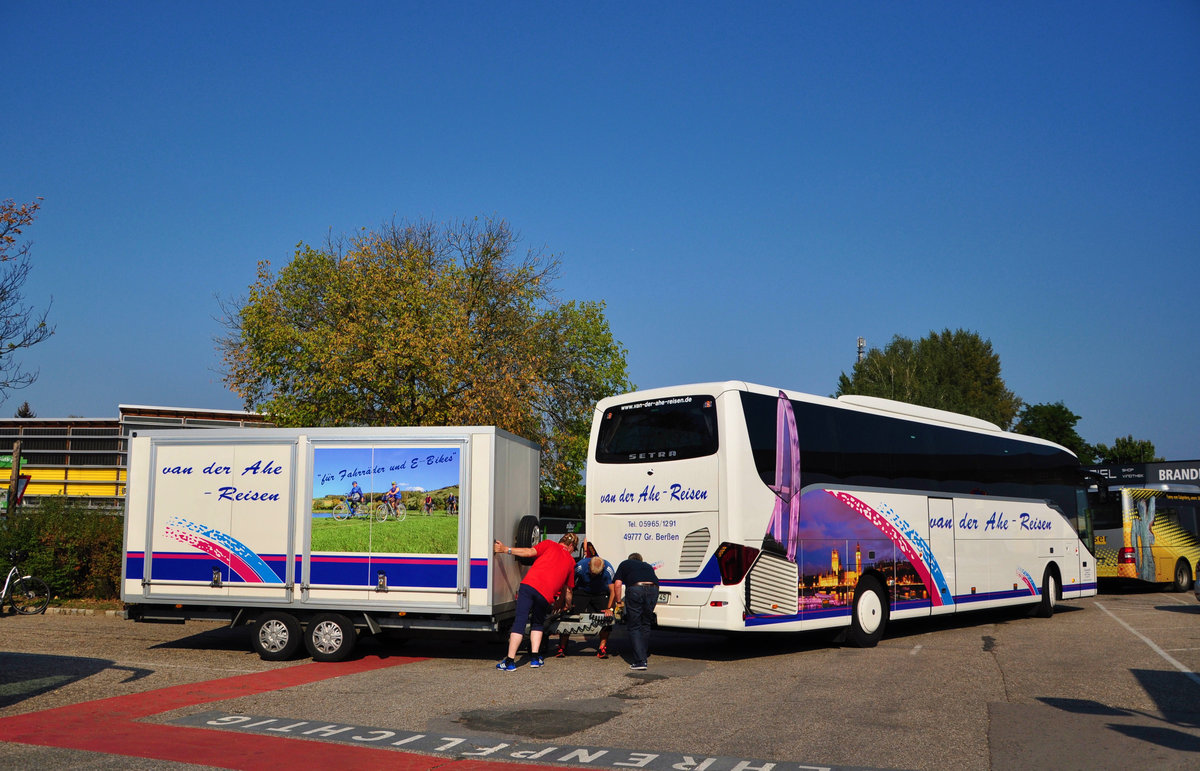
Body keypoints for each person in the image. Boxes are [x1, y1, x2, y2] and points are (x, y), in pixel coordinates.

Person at [492, 532, 578, 671]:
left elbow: (529, 552)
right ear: (571, 546)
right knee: (538, 623)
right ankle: (535, 658)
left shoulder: (549, 544)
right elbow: (568, 590)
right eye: (574, 549)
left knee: (520, 622)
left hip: (529, 586)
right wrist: (566, 604)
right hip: (546, 595)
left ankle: (510, 661)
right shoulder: (571, 562)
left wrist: (505, 549)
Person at [556, 554, 616, 658]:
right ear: (589, 565)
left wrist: (609, 608)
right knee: (569, 617)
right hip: (582, 591)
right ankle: (562, 646)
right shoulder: (580, 567)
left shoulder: (608, 569)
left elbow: (613, 591)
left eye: (597, 574)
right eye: (592, 574)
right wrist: (565, 603)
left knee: (607, 618)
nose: (594, 576)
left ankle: (602, 648)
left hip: (600, 592)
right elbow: (568, 585)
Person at [612, 552, 658, 671]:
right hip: (654, 588)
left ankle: (640, 660)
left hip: (636, 588)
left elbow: (617, 584)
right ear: (640, 560)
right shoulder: (647, 566)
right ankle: (642, 652)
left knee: (634, 625)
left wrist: (618, 602)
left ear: (630, 559)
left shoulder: (625, 564)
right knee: (646, 623)